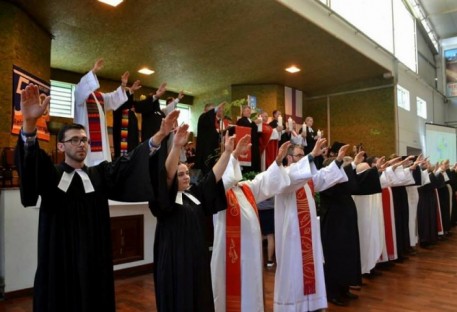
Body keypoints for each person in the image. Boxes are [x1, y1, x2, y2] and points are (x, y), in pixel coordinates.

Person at [15, 83, 178, 312]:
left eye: (84, 140)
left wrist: (160, 135)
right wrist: (30, 124)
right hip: (60, 259)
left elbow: (128, 163)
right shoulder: (51, 174)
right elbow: (30, 161)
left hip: (94, 259)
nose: (81, 144)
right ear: (61, 145)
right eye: (74, 140)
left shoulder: (99, 174)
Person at [149, 124, 243, 312]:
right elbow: (166, 177)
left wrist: (227, 153)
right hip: (176, 261)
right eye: (180, 174)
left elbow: (213, 176)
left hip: (197, 258)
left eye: (187, 173)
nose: (186, 177)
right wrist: (176, 146)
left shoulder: (194, 194)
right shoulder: (164, 200)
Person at [211, 140, 291, 312]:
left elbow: (265, 181)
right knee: (232, 291)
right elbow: (220, 181)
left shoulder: (245, 188)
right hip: (231, 255)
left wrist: (277, 161)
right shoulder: (218, 193)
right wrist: (232, 154)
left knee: (250, 289)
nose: (235, 166)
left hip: (251, 255)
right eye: (232, 164)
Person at [273, 140, 349, 312]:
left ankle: (311, 303)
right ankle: (293, 305)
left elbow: (322, 179)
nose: (303, 159)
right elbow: (293, 178)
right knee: (294, 268)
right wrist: (312, 155)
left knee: (310, 265)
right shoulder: (284, 175)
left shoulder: (305, 177)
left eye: (303, 155)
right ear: (289, 158)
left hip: (307, 232)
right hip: (292, 233)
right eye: (299, 155)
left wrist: (338, 161)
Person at [74, 58, 129, 166]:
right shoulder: (79, 94)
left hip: (101, 140)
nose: (94, 83)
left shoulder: (100, 96)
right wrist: (93, 70)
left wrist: (123, 85)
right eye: (91, 79)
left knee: (101, 167)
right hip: (86, 136)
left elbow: (114, 97)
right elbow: (82, 88)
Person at [195, 102, 230, 174]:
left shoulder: (211, 123)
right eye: (211, 111)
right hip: (204, 151)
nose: (213, 113)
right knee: (205, 171)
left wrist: (224, 131)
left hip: (212, 150)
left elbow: (213, 134)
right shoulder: (202, 117)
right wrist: (216, 108)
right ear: (205, 111)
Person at [112, 81, 142, 158]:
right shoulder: (118, 108)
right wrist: (131, 91)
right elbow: (124, 104)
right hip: (122, 144)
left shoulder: (131, 113)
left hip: (132, 144)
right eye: (126, 94)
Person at [236, 105, 262, 173]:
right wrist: (255, 123)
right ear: (243, 112)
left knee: (255, 160)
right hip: (247, 145)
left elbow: (255, 132)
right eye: (247, 111)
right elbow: (246, 128)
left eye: (250, 111)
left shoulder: (250, 121)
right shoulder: (241, 120)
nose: (249, 112)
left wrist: (259, 131)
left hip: (254, 144)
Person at [257, 197, 276, 267]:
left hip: (258, 209)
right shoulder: (272, 185)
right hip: (270, 210)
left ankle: (258, 259)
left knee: (259, 236)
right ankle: (270, 260)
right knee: (270, 236)